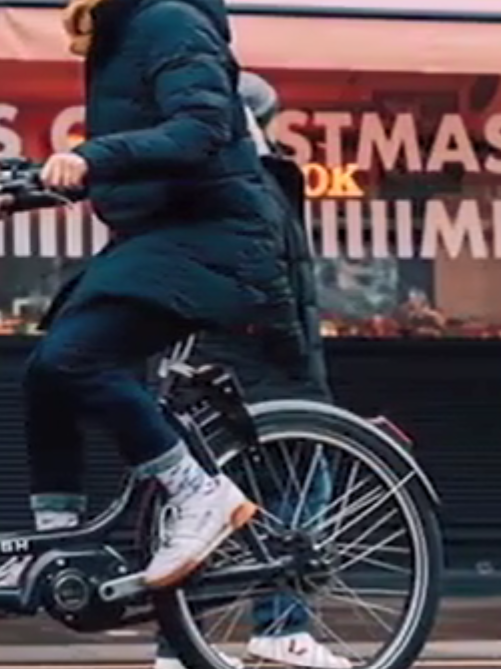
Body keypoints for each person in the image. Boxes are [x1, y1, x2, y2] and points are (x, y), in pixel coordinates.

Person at [0, 0, 296, 591]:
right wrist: (33, 185)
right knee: (45, 372)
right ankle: (55, 538)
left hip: (214, 235)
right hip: (163, 233)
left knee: (75, 358)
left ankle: (200, 494)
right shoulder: (120, 26)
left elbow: (201, 130)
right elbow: (143, 150)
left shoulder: (169, 21)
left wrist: (91, 157)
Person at [148, 72, 349, 669]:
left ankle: (189, 645)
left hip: (232, 360)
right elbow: (268, 278)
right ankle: (275, 631)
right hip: (257, 365)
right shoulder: (247, 182)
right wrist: (294, 354)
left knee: (207, 504)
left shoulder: (229, 178)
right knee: (290, 494)